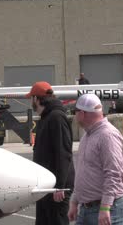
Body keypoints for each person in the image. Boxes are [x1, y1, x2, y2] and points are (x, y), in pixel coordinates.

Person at [67, 94, 123, 225]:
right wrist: (74, 201)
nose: (75, 116)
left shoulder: (107, 135)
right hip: (87, 209)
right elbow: (82, 172)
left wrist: (105, 207)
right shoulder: (87, 136)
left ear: (83, 114)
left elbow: (113, 174)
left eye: (75, 112)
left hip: (107, 210)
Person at [26, 81, 75, 225]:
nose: (31, 102)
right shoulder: (46, 117)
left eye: (31, 98)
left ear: (36, 99)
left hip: (56, 187)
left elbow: (63, 153)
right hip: (46, 185)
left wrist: (59, 186)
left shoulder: (56, 117)